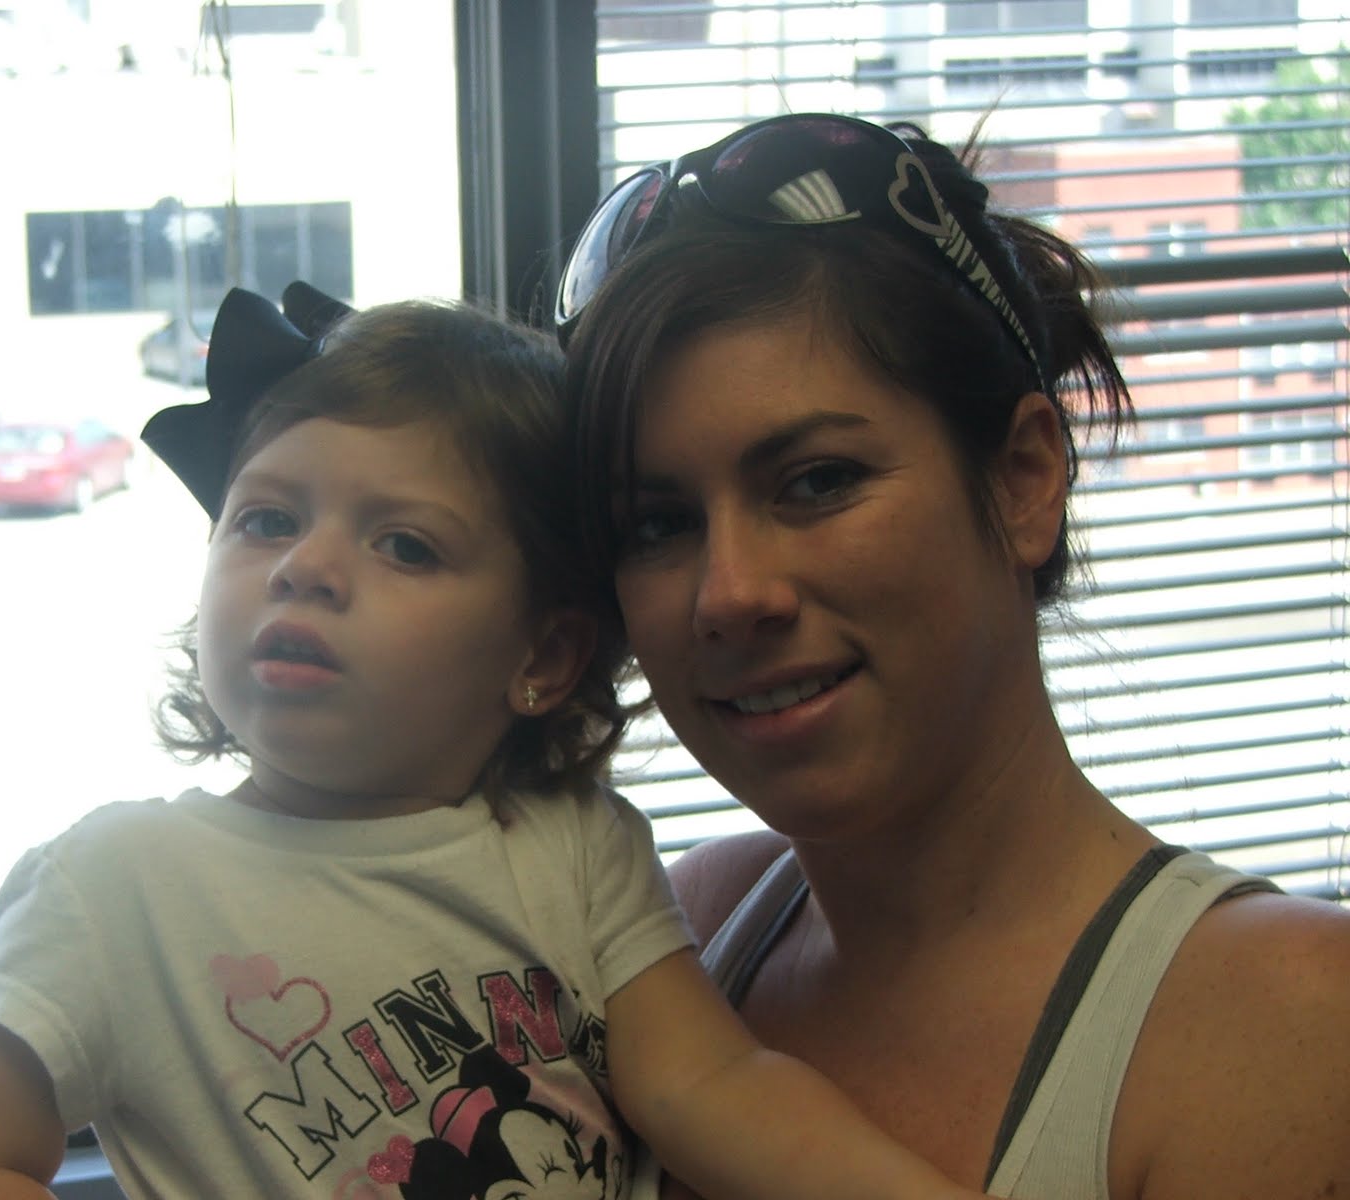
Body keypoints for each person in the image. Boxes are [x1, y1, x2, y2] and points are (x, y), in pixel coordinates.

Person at [0, 282, 997, 1200]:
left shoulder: (570, 847)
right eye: (266, 519)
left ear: (543, 657)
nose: (305, 567)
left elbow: (713, 1089)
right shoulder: (109, 888)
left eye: (405, 545)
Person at [556, 112, 1350, 1200]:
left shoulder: (1287, 1024)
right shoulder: (690, 930)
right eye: (657, 524)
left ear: (1024, 480)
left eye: (818, 480)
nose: (729, 595)